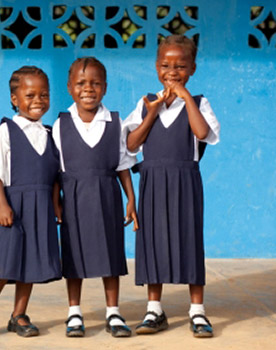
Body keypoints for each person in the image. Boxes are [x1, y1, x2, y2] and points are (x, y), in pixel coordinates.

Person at [123, 34, 220, 338]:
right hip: (152, 181)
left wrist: (187, 98)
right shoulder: (145, 104)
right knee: (152, 242)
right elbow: (131, 144)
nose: (172, 71)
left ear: (192, 68)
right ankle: (155, 310)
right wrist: (152, 113)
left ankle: (197, 312)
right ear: (156, 67)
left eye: (180, 66)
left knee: (189, 240)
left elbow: (203, 133)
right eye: (166, 65)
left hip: (185, 180)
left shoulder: (200, 103)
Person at [0, 66, 61, 339]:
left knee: (30, 263)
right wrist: (2, 205)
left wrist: (56, 203)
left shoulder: (50, 133)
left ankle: (19, 315)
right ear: (14, 99)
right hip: (14, 205)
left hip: (41, 205)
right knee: (5, 261)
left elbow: (55, 176)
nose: (38, 100)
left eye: (44, 94)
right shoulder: (5, 132)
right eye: (30, 95)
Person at [52, 57, 139, 338]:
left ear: (105, 88)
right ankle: (74, 313)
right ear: (69, 87)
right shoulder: (60, 124)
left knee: (110, 255)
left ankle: (113, 312)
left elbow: (124, 165)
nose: (88, 89)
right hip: (74, 199)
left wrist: (131, 199)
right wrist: (56, 203)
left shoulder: (116, 121)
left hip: (107, 196)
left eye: (95, 83)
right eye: (80, 83)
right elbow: (56, 170)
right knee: (74, 256)